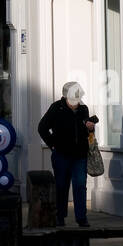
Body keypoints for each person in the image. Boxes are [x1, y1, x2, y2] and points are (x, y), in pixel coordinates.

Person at [39, 81, 97, 227]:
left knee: (80, 186)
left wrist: (90, 128)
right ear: (65, 97)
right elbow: (42, 127)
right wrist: (53, 144)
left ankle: (81, 217)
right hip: (62, 154)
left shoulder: (84, 109)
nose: (75, 102)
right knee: (61, 186)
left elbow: (86, 132)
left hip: (79, 155)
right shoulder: (56, 108)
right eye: (72, 99)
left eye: (77, 99)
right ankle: (60, 216)